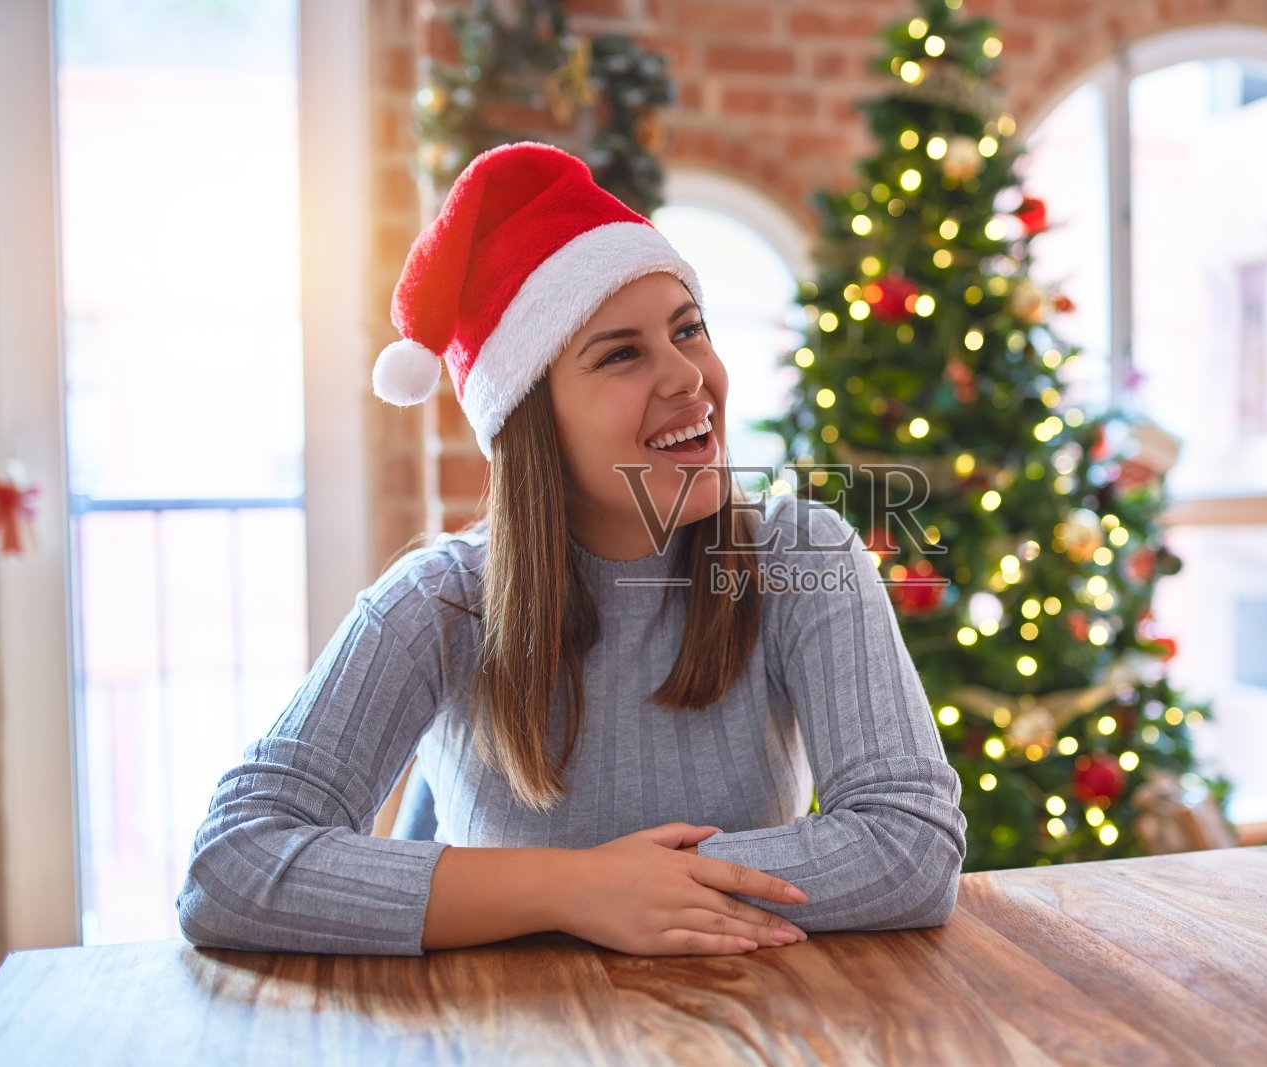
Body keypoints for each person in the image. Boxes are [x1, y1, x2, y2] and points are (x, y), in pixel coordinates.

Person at [175, 141, 966, 958]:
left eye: (687, 329)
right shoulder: (439, 601)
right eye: (621, 353)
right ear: (533, 424)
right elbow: (228, 865)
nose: (686, 376)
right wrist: (580, 888)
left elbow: (910, 843)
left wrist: (642, 889)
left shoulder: (802, 557)